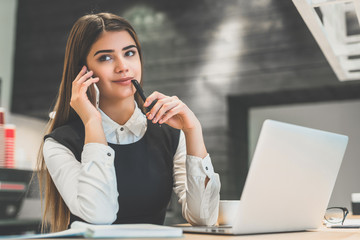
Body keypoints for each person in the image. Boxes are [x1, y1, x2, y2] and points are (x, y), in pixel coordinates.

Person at [36, 12, 221, 233]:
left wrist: (193, 131)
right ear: (82, 72)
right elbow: (99, 215)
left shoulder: (169, 134)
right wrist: (92, 122)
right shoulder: (60, 143)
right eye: (106, 57)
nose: (123, 66)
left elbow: (205, 218)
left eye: (130, 53)